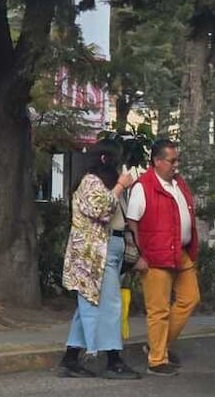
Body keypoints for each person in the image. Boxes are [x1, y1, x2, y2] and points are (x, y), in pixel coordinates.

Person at [58, 140, 141, 380]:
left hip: (107, 249)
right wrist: (119, 186)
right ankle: (112, 359)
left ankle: (70, 358)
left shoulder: (102, 183)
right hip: (96, 254)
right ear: (105, 160)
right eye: (116, 161)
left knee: (90, 306)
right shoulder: (90, 182)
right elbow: (102, 210)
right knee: (109, 306)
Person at [126, 139, 200, 377]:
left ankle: (159, 345)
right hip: (155, 255)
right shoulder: (143, 186)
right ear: (157, 162)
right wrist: (138, 255)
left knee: (190, 298)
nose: (175, 165)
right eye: (171, 160)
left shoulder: (178, 183)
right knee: (158, 309)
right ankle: (157, 359)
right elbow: (132, 222)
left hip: (180, 251)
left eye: (177, 160)